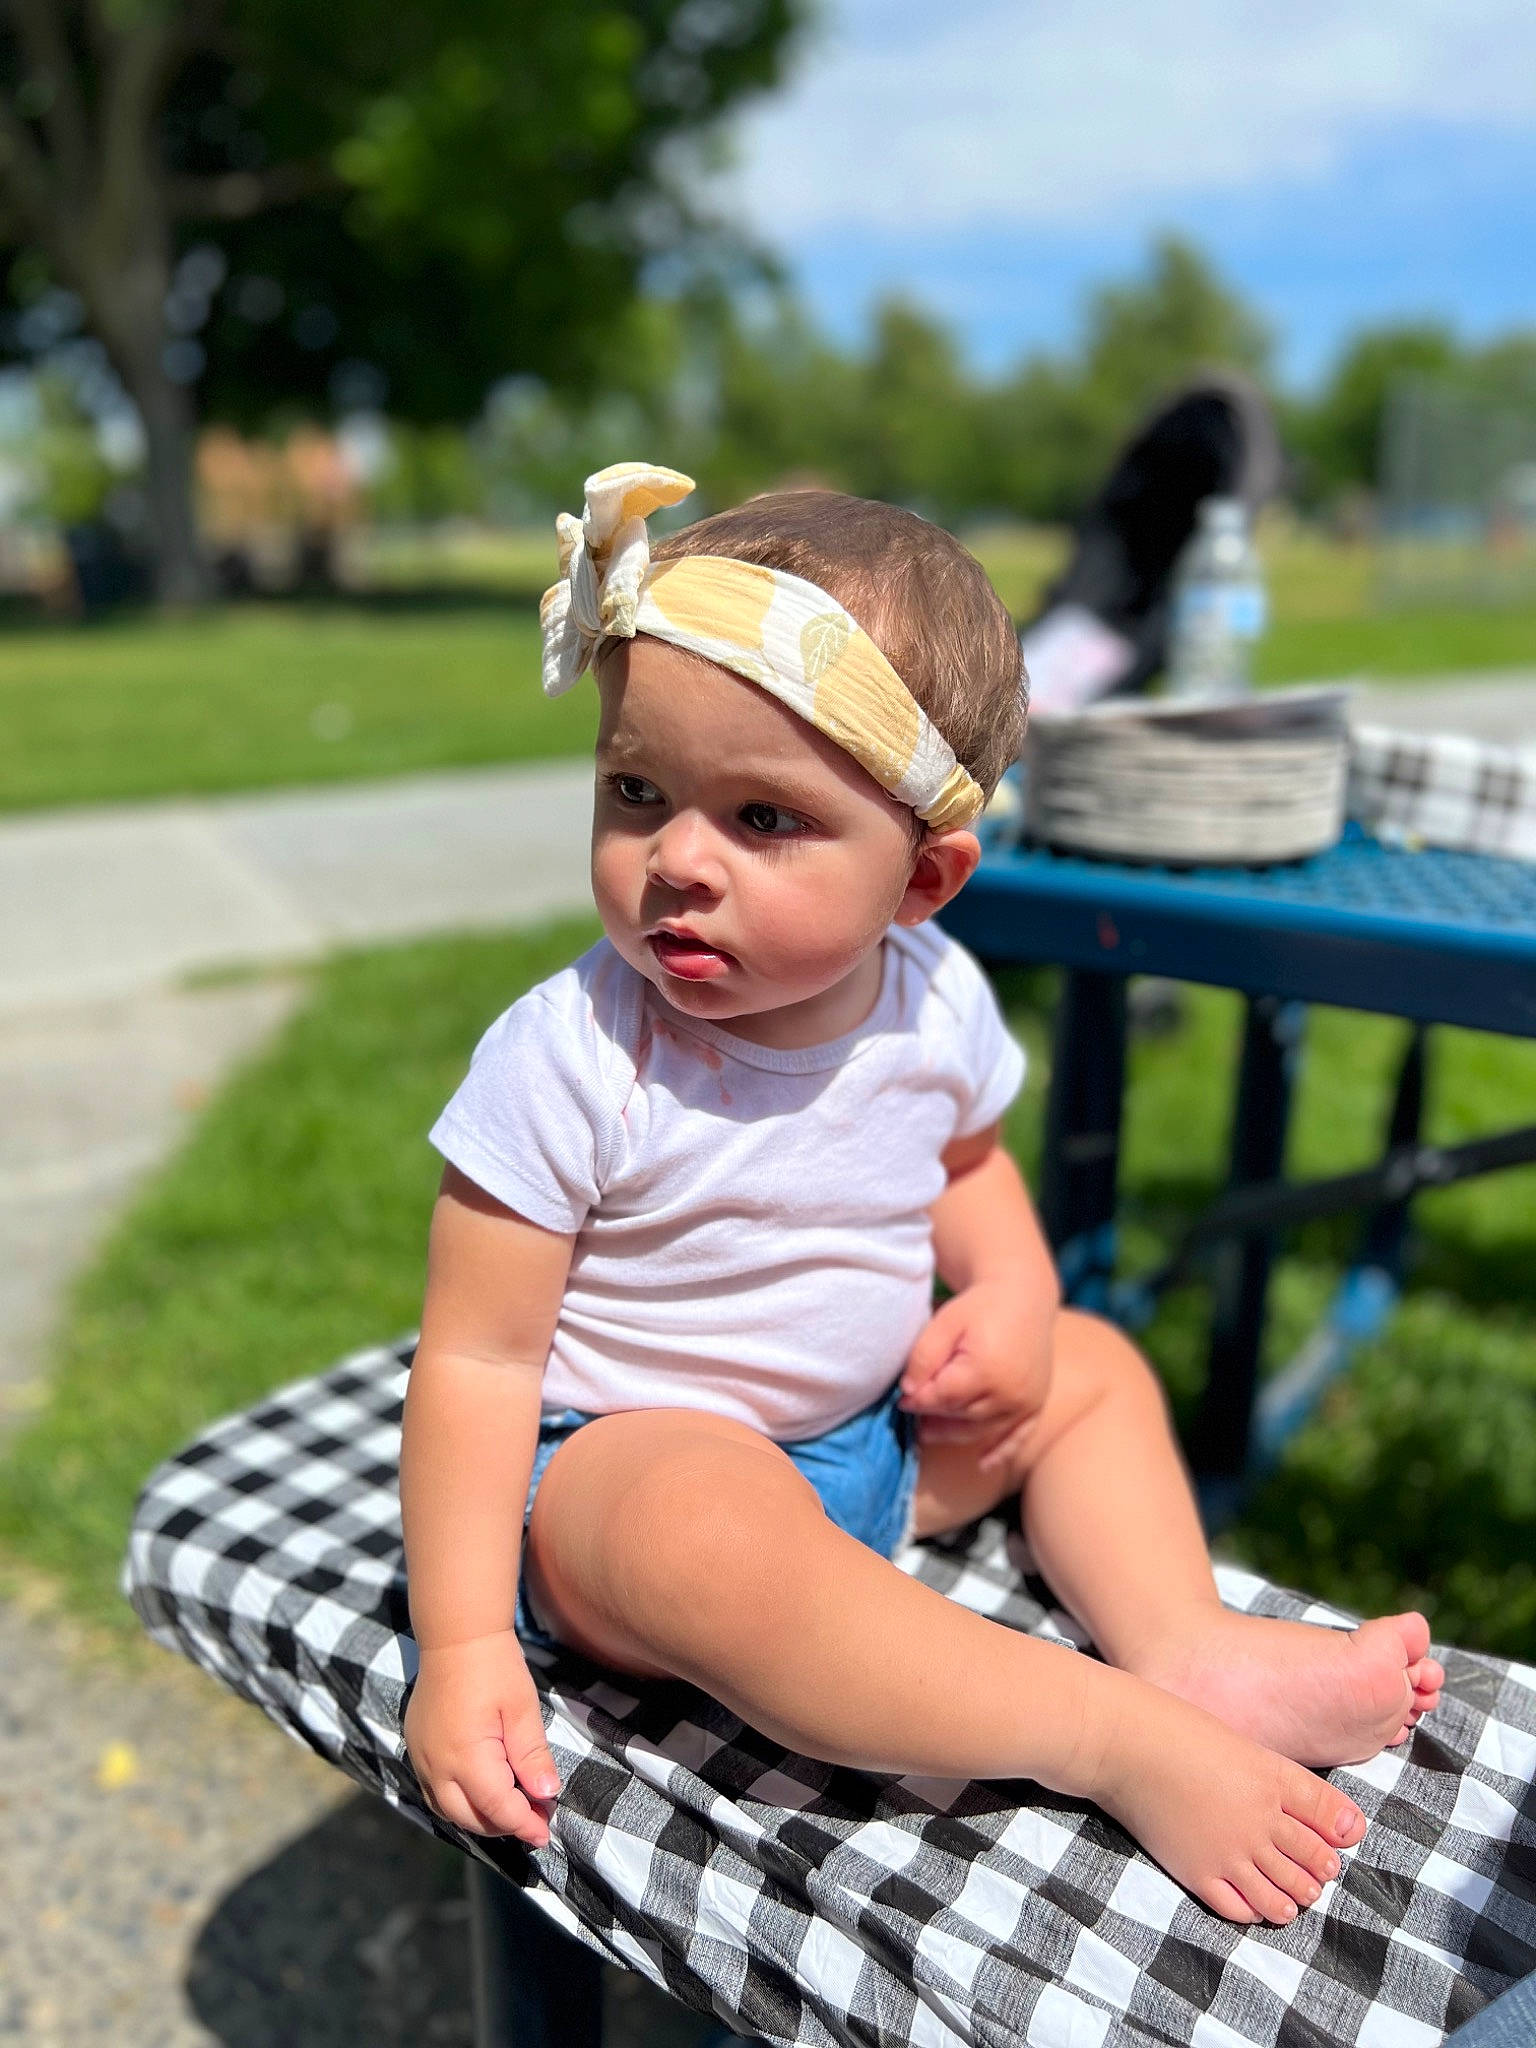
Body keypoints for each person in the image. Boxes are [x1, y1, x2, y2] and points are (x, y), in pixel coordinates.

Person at [400, 464, 1443, 1927]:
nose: (677, 861)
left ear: (924, 883)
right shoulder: (576, 1055)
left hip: (876, 1450)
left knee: (1088, 1364)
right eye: (637, 790)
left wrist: (1011, 1296)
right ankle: (1106, 1735)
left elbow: (968, 1166)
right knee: (704, 1528)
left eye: (763, 819)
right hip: (618, 1487)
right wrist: (459, 1647)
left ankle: (1180, 1638)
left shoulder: (930, 999)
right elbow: (477, 1355)